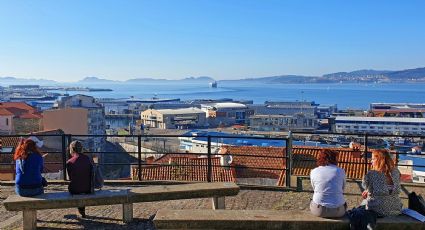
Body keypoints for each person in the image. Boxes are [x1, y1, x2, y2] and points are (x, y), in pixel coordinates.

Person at [361, 149, 402, 216]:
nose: (371, 161)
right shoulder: (396, 172)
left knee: (363, 204)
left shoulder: (371, 174)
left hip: (378, 210)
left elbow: (364, 185)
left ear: (378, 160)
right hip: (396, 209)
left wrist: (367, 190)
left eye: (373, 159)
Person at [310, 149, 347, 218]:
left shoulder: (314, 171)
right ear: (335, 159)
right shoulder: (341, 171)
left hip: (319, 210)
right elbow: (342, 189)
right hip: (338, 211)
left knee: (312, 200)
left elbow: (315, 188)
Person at [66, 140, 93, 218]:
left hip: (74, 190)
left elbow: (70, 178)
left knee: (77, 185)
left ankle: (81, 211)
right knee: (82, 183)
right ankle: (82, 211)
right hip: (88, 188)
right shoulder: (88, 159)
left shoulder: (69, 162)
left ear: (72, 149)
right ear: (81, 149)